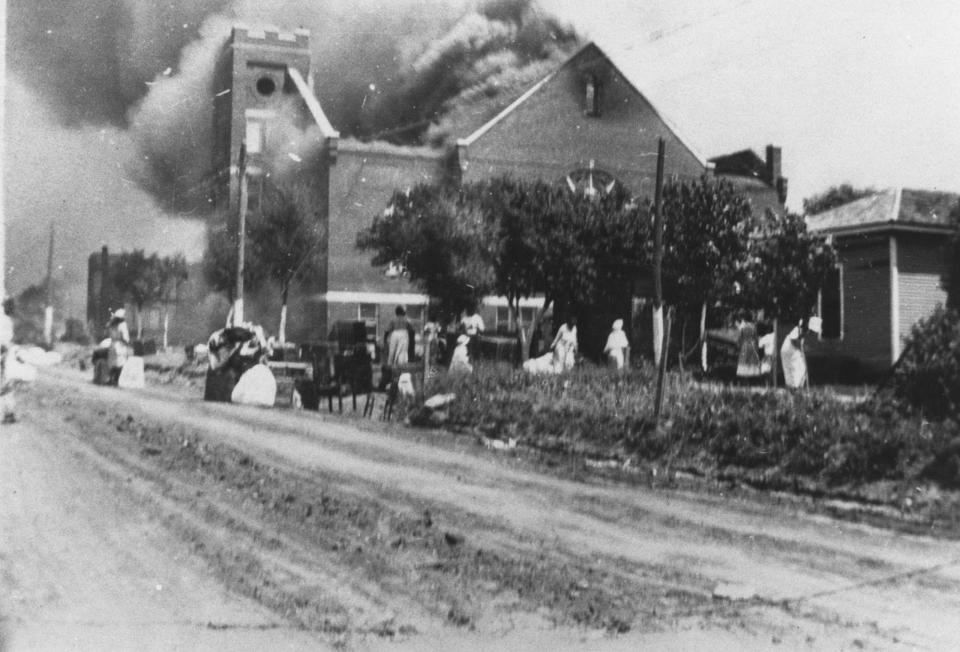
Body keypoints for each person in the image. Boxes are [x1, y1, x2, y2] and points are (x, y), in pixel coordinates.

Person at [780, 316, 821, 389]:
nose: (813, 333)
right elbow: (794, 340)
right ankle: (794, 388)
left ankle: (795, 389)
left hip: (790, 349)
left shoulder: (804, 330)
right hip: (789, 348)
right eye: (813, 331)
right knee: (798, 368)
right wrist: (803, 348)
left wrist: (803, 348)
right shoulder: (800, 329)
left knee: (800, 369)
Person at [734, 312, 762, 384]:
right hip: (752, 346)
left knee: (744, 362)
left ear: (745, 319)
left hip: (745, 346)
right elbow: (756, 338)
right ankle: (751, 380)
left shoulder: (743, 327)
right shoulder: (754, 327)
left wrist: (738, 345)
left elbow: (739, 338)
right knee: (752, 362)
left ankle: (745, 380)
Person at [0, 298, 16, 423]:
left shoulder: (4, 320)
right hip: (5, 354)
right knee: (6, 386)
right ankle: (9, 413)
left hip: (3, 354)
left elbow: (4, 343)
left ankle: (9, 413)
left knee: (4, 386)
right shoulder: (8, 321)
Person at [106, 308, 132, 385]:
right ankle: (116, 381)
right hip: (120, 346)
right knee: (120, 364)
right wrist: (128, 343)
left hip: (112, 345)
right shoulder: (122, 325)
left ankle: (110, 379)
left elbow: (108, 333)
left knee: (112, 364)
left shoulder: (111, 324)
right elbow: (125, 337)